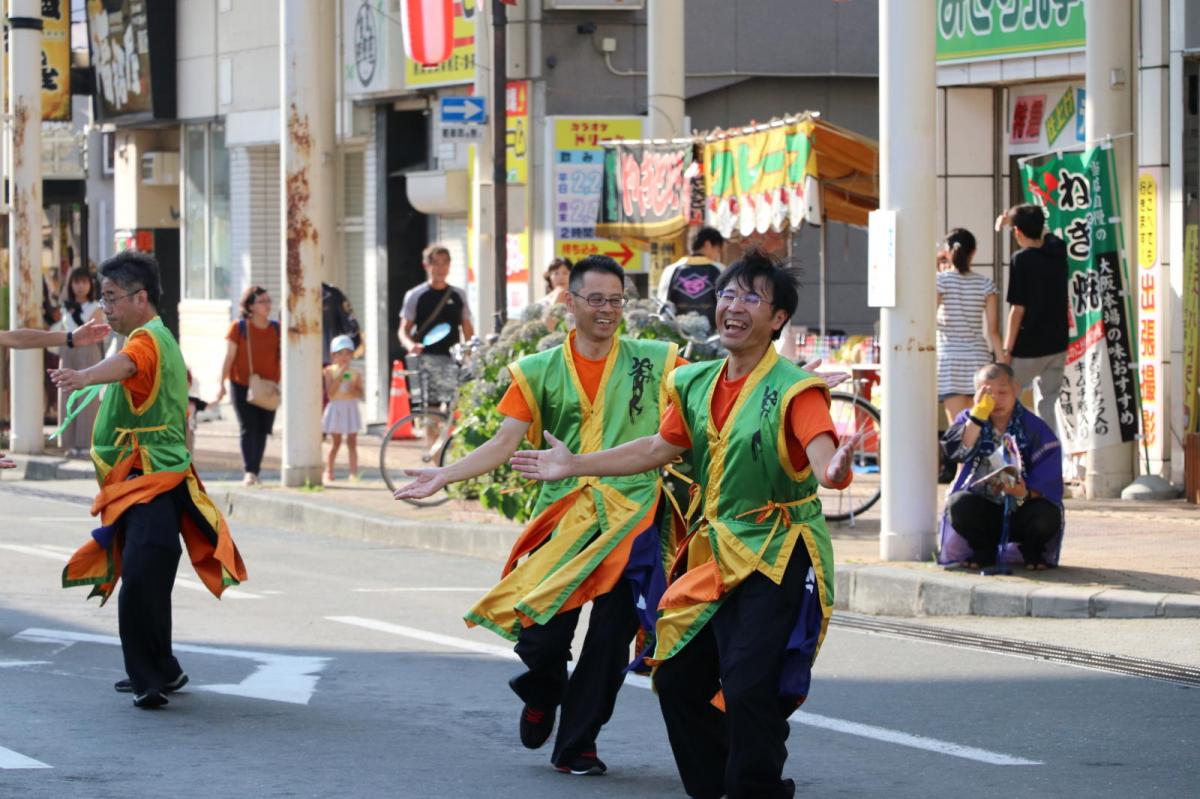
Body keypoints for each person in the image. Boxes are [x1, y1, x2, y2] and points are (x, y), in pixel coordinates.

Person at [511, 249, 862, 799]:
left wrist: (837, 469)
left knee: (749, 682)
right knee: (675, 677)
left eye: (752, 297)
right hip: (716, 549)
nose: (733, 306)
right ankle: (719, 781)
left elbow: (824, 463)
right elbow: (657, 446)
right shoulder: (695, 382)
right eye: (727, 294)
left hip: (779, 551)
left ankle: (755, 786)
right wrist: (575, 463)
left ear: (777, 320)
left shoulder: (796, 389)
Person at [396, 255, 687, 777]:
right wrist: (445, 474)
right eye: (595, 299)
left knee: (609, 641)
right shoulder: (536, 371)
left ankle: (578, 744)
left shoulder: (659, 360)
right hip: (565, 520)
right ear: (569, 301)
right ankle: (542, 690)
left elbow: (710, 395)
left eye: (616, 300)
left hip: (636, 522)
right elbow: (504, 441)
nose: (607, 309)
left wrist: (774, 376)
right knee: (543, 637)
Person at [48, 251, 247, 709]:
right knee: (150, 566)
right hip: (153, 474)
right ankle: (162, 668)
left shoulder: (146, 342)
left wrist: (82, 375)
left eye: (112, 298)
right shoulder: (155, 336)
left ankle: (148, 678)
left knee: (142, 570)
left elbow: (126, 367)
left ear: (141, 298)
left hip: (149, 476)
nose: (106, 306)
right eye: (103, 297)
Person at [938, 362, 1064, 571]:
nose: (995, 399)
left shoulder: (1034, 427)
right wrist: (978, 415)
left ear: (1015, 389)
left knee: (1047, 514)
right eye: (987, 393)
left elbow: (1049, 480)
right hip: (983, 506)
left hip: (1023, 505)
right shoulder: (968, 420)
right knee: (959, 504)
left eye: (1002, 391)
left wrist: (1024, 491)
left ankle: (1032, 550)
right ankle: (984, 549)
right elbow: (957, 451)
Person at [996, 204, 1069, 435]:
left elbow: (1017, 309)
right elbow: (1046, 234)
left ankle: (1006, 453)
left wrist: (1007, 350)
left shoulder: (1021, 259)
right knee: (1048, 403)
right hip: (1057, 344)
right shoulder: (1058, 250)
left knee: (1005, 400)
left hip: (1029, 347)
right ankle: (1046, 456)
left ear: (1017, 232)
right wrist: (1016, 221)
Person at [398, 244, 474, 446]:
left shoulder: (458, 295)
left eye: (445, 263)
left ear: (450, 266)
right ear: (427, 265)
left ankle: (447, 455)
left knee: (452, 410)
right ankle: (434, 457)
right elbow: (403, 330)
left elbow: (467, 328)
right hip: (427, 360)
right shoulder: (416, 295)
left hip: (452, 359)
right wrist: (410, 345)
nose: (440, 268)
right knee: (431, 412)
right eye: (436, 263)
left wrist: (472, 352)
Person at [213, 285, 281, 486]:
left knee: (262, 429)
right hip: (241, 384)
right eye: (262, 302)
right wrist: (221, 384)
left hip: (268, 387)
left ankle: (256, 471)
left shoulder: (276, 329)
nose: (268, 305)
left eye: (269, 301)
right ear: (250, 306)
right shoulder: (239, 328)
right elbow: (229, 356)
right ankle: (249, 471)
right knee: (248, 427)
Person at [936, 228, 1003, 424]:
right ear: (973, 252)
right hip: (978, 360)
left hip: (950, 360)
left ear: (947, 252)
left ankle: (960, 456)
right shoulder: (985, 284)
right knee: (980, 425)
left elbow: (929, 319)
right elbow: (993, 331)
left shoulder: (941, 281)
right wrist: (1002, 364)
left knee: (957, 428)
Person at [56, 267, 107, 456]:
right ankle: (67, 443)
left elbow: (92, 331)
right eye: (76, 282)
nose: (80, 286)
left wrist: (76, 314)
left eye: (84, 282)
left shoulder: (95, 307)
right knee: (66, 394)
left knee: (86, 397)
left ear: (90, 285)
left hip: (87, 350)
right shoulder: (64, 305)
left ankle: (85, 444)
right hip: (67, 351)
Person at [656, 226, 726, 332]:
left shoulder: (670, 270)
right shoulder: (720, 270)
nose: (717, 255)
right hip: (712, 339)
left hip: (678, 339)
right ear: (707, 244)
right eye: (718, 250)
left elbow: (662, 307)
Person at [322, 335, 364, 483]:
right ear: (333, 355)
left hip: (350, 407)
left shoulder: (356, 373)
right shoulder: (329, 371)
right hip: (336, 408)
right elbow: (330, 393)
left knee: (352, 442)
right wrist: (340, 374)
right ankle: (328, 470)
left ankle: (353, 472)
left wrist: (354, 390)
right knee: (336, 442)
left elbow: (360, 393)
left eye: (348, 352)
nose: (344, 356)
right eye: (340, 353)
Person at [322, 281, 362, 365]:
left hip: (329, 364)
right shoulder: (331, 294)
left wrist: (342, 357)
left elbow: (352, 331)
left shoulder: (332, 295)